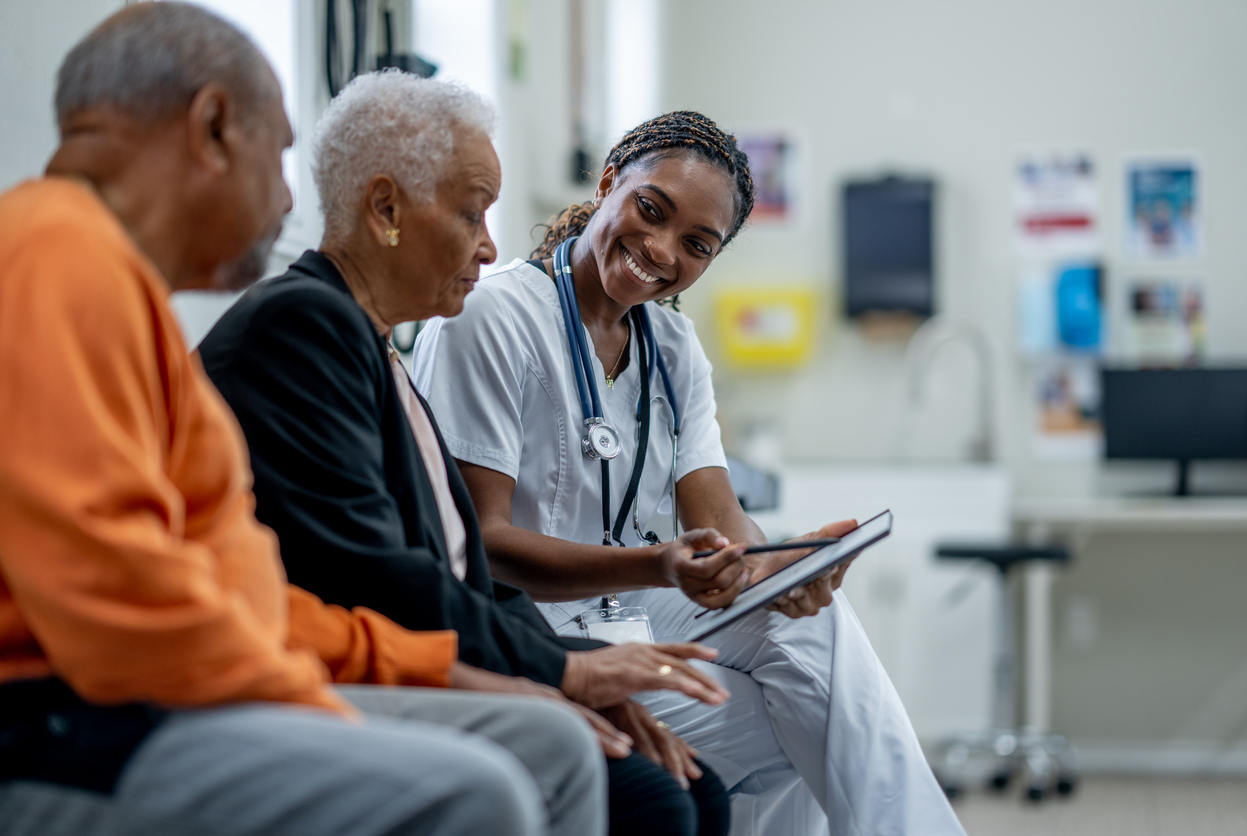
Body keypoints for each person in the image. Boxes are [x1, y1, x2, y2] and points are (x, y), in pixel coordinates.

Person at [0, 6, 600, 836]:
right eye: (280, 153)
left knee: (551, 742)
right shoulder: (53, 257)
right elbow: (117, 606)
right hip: (64, 718)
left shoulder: (137, 312)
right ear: (212, 128)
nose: (289, 197)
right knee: (480, 791)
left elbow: (241, 593)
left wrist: (429, 670)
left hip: (175, 685)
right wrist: (316, 703)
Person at [199, 70, 731, 836]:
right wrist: (560, 671)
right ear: (386, 209)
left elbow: (470, 577)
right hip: (340, 662)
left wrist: (572, 671)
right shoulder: (302, 327)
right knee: (655, 801)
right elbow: (376, 575)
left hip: (418, 639)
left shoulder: (372, 346)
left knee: (692, 787)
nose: (488, 246)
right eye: (470, 213)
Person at [411, 111, 968, 836]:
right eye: (651, 210)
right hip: (529, 629)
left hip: (628, 613)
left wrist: (782, 567)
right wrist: (660, 564)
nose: (660, 250)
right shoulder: (492, 318)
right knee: (801, 733)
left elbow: (722, 523)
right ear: (609, 181)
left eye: (696, 245)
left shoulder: (672, 345)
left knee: (811, 637)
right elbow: (481, 549)